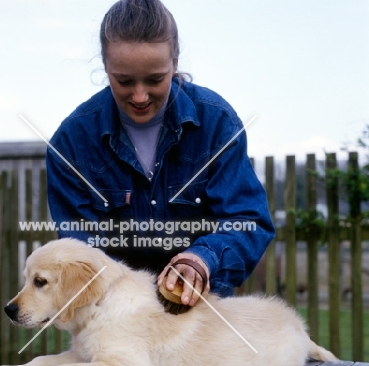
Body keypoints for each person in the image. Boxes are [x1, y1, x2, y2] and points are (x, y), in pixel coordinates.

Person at [46, 0, 275, 308]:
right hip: (114, 317)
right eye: (123, 80)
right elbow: (81, 249)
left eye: (155, 79)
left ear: (175, 62)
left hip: (204, 316)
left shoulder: (217, 122)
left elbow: (248, 219)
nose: (140, 96)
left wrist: (202, 260)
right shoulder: (70, 143)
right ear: (105, 66)